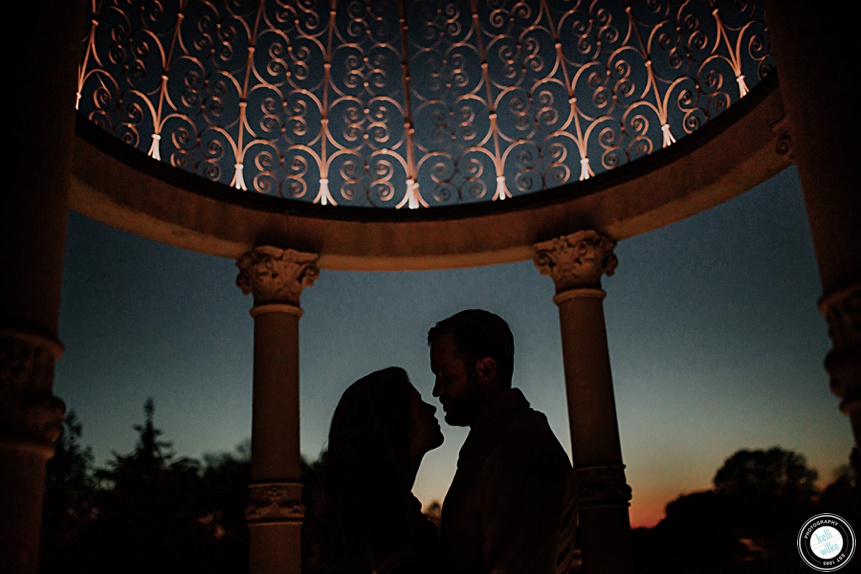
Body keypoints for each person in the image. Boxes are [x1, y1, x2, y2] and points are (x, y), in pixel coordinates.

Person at [428, 309, 578, 574]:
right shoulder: (502, 443)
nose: (437, 391)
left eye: (446, 376)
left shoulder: (518, 449)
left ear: (486, 370)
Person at [307, 366, 445, 574]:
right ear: (397, 422)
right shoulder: (390, 531)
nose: (431, 408)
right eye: (419, 403)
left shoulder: (377, 520)